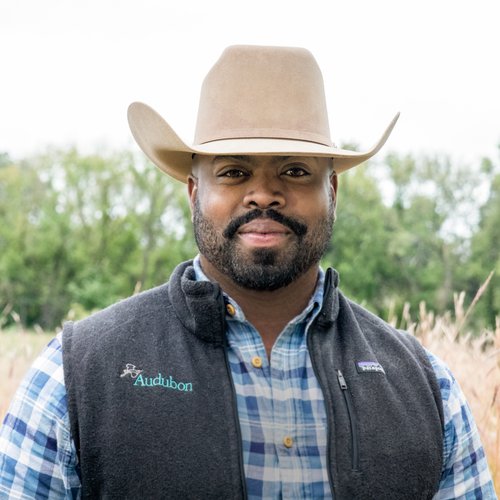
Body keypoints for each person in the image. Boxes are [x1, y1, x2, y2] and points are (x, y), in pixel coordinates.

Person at [0, 45, 496, 499]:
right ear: (194, 193)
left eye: (295, 170)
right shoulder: (76, 374)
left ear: (333, 193)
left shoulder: (427, 387)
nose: (263, 194)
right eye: (234, 171)